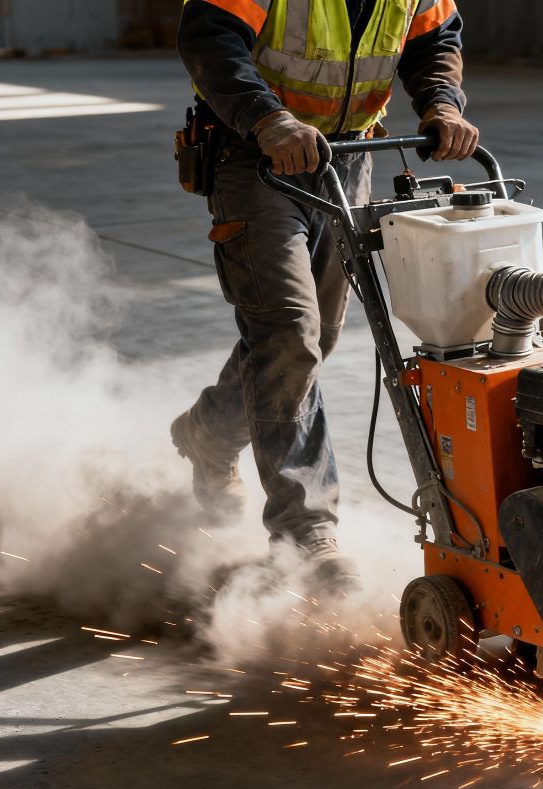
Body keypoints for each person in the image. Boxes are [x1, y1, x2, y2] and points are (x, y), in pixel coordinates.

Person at [171, 0, 479, 594]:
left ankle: (208, 433)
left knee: (316, 339)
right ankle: (305, 526)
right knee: (288, 332)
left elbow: (433, 40)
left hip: (346, 158)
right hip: (256, 156)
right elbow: (209, 38)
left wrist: (441, 102)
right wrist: (267, 119)